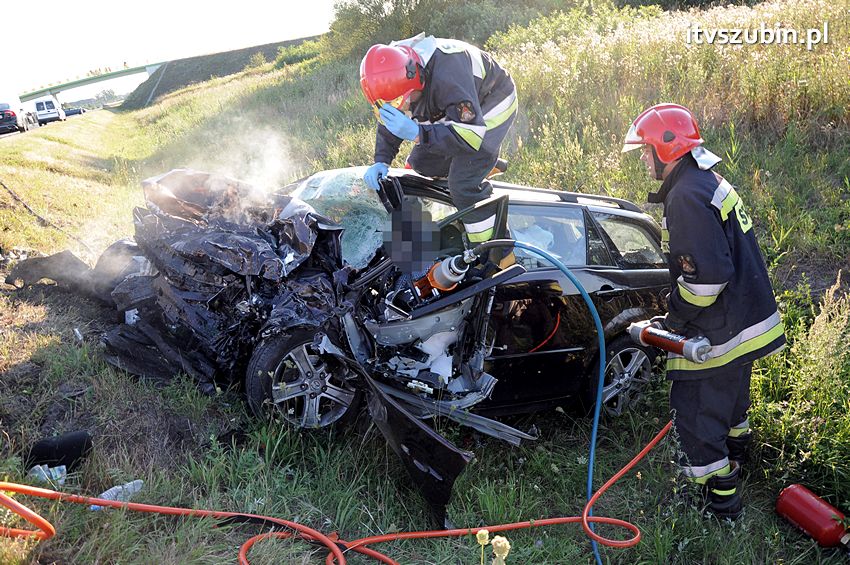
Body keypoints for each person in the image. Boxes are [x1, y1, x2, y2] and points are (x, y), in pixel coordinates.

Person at [622, 103, 786, 519]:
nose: (643, 159)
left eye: (646, 151)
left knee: (696, 415)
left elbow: (705, 281)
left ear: (666, 149)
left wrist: (672, 322)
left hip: (720, 329)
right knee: (730, 406)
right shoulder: (703, 179)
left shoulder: (686, 197)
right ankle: (738, 459)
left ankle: (720, 504)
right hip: (745, 319)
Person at [359, 33, 517, 245]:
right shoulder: (391, 66)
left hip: (492, 102)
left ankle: (494, 250)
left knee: (462, 184)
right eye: (388, 104)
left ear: (416, 81)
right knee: (421, 162)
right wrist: (382, 159)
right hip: (453, 105)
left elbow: (470, 134)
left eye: (399, 101)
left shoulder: (449, 73)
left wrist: (418, 133)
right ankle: (483, 165)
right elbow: (391, 114)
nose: (400, 108)